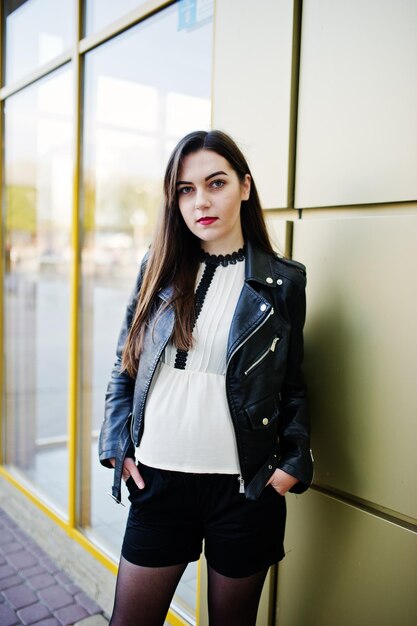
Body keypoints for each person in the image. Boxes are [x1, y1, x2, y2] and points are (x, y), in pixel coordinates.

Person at [99, 130, 313, 626]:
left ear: (244, 186)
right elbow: (125, 363)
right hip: (158, 481)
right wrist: (116, 441)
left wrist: (293, 463)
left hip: (245, 489)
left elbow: (293, 381)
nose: (201, 201)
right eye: (185, 189)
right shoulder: (158, 268)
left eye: (215, 183)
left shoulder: (284, 281)